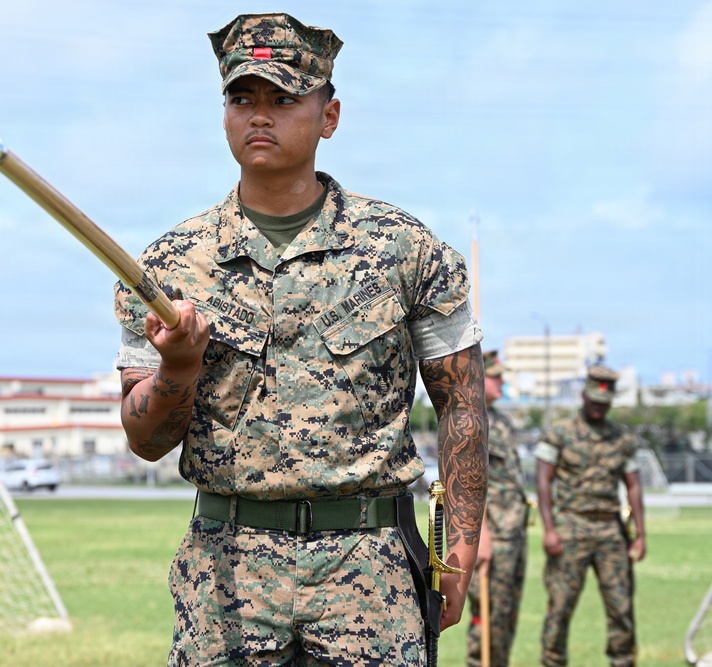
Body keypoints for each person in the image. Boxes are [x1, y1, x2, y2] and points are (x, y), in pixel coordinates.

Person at [114, 13, 488, 666]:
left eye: (284, 98)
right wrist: (178, 368)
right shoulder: (169, 267)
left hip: (368, 575)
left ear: (329, 115)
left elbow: (461, 402)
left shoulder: (405, 249)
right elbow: (145, 441)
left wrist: (455, 548)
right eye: (242, 97)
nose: (261, 115)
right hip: (227, 577)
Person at [535, 364, 646, 667]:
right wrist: (549, 529)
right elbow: (543, 481)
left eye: (604, 403)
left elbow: (634, 486)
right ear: (583, 396)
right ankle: (552, 661)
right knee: (560, 606)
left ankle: (623, 661)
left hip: (611, 531)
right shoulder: (560, 433)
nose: (599, 408)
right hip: (571, 526)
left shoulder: (622, 439)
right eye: (594, 402)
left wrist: (640, 536)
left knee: (621, 607)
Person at [465, 350, 528, 666]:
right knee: (487, 618)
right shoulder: (471, 422)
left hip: (513, 533)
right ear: (480, 378)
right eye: (496, 375)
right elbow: (469, 484)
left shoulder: (500, 421)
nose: (503, 381)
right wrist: (482, 534)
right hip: (492, 537)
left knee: (505, 618)